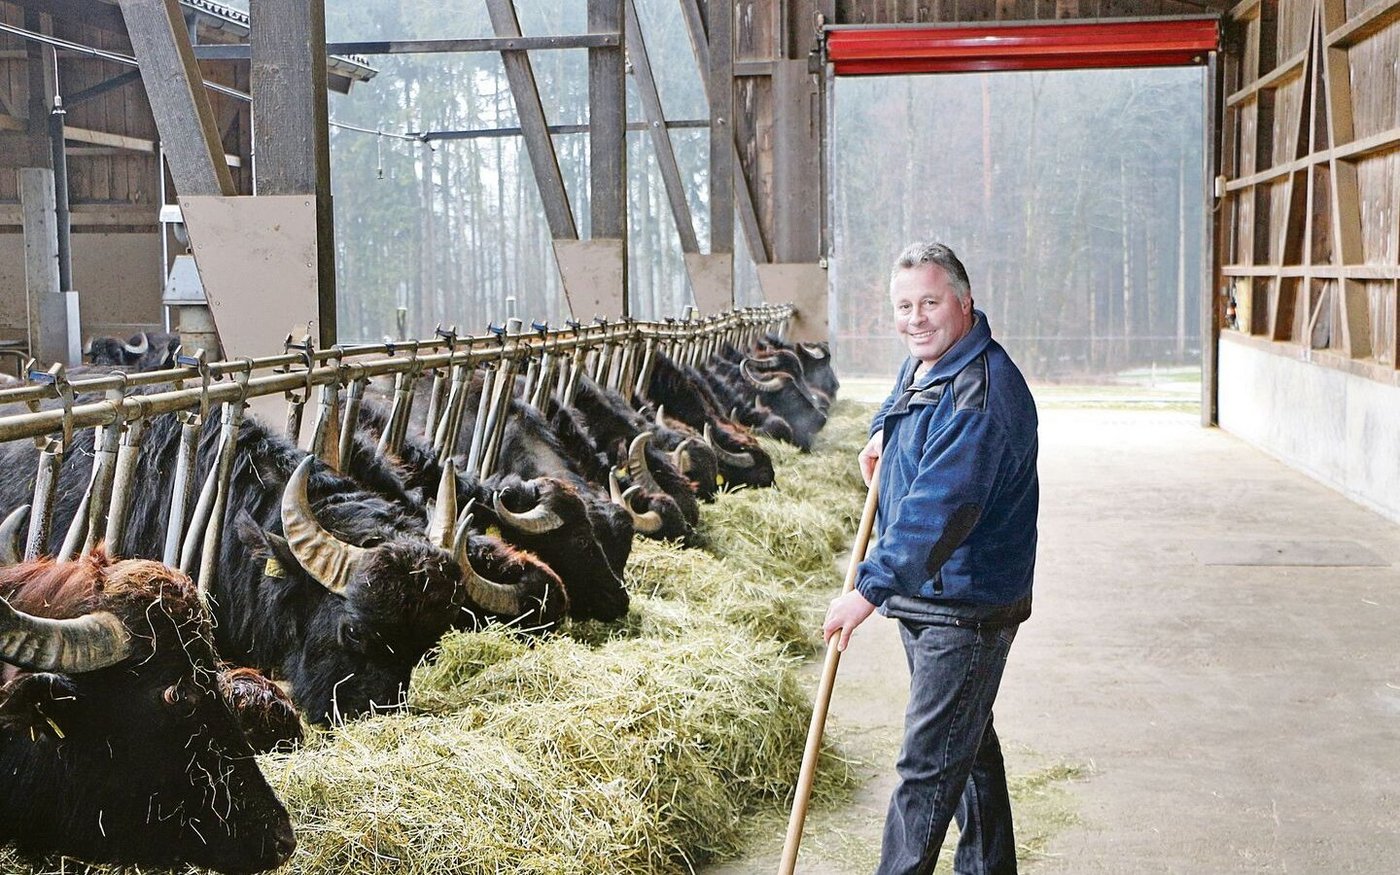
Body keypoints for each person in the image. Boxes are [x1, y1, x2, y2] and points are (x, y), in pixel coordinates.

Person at [822, 241, 1038, 875]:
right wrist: (880, 435)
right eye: (904, 305)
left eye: (930, 303)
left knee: (926, 769)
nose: (915, 318)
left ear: (964, 304)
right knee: (966, 752)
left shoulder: (981, 396)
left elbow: (941, 511)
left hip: (963, 607)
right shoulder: (931, 364)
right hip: (933, 595)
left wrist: (866, 589)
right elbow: (902, 403)